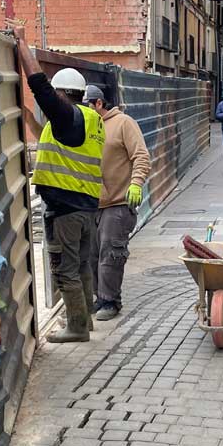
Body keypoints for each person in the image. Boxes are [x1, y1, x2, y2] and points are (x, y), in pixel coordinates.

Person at [12, 26, 106, 343]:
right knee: (81, 267)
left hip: (66, 210)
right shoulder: (87, 120)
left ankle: (77, 327)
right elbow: (57, 145)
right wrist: (27, 119)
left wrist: (22, 44)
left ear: (63, 94)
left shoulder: (67, 116)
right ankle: (85, 320)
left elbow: (39, 85)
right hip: (85, 207)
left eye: (56, 96)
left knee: (65, 269)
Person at [84, 85, 150, 321]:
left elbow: (141, 155)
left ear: (99, 103)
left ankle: (111, 301)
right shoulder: (86, 125)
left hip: (118, 202)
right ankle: (98, 297)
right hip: (92, 202)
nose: (85, 110)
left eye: (88, 105)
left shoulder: (124, 123)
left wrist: (136, 182)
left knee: (110, 253)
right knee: (91, 254)